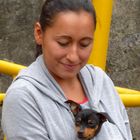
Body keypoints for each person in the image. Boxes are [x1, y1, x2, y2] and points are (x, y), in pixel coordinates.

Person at [2, 0, 132, 140]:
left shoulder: (101, 80)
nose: (73, 56)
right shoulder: (23, 97)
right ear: (39, 33)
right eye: (63, 43)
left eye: (84, 44)